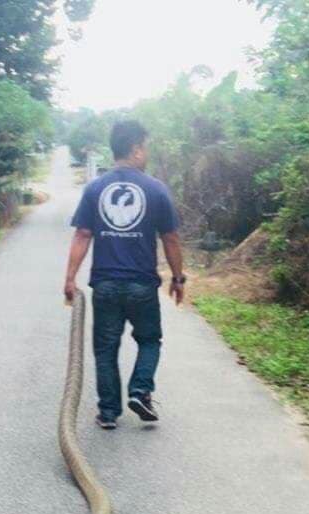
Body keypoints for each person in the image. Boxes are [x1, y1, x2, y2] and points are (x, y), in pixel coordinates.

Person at [64, 120, 186, 429]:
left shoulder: (94, 188)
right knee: (149, 340)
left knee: (105, 348)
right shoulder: (156, 189)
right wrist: (177, 278)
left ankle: (108, 413)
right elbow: (170, 238)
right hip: (142, 285)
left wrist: (69, 278)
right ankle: (141, 390)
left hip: (104, 284)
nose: (146, 153)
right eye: (144, 147)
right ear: (135, 149)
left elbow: (82, 234)